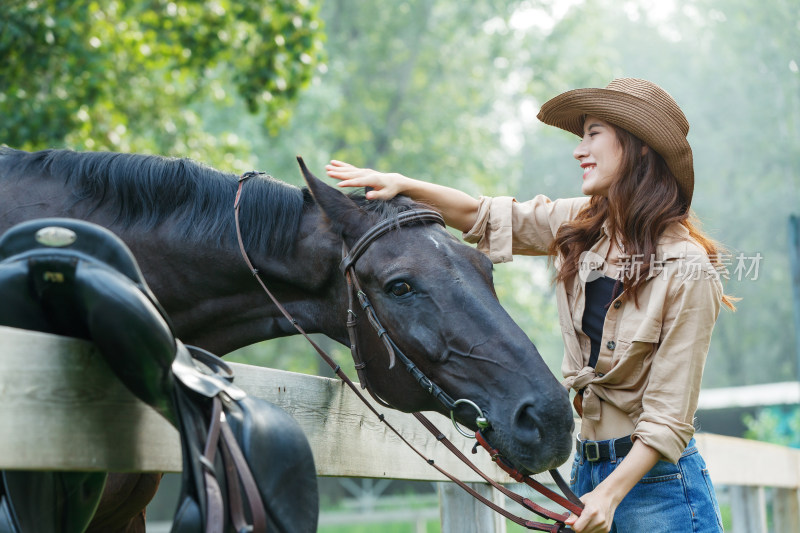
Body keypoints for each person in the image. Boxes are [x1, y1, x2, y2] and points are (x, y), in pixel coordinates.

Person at [326, 78, 734, 533]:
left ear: (639, 146)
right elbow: (487, 216)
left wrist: (610, 494)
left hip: (658, 490)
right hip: (588, 473)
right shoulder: (581, 225)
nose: (580, 149)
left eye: (594, 133)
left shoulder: (689, 267)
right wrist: (403, 185)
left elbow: (668, 418)